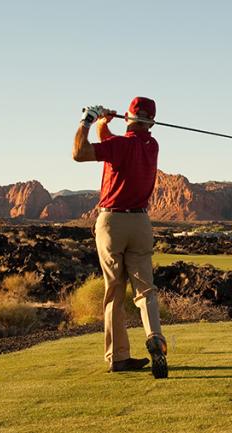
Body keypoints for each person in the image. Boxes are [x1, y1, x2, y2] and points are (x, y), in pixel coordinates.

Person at [72, 97, 168, 379]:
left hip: (112, 222)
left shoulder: (121, 146)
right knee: (145, 290)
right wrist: (105, 125)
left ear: (129, 117)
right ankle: (155, 339)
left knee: (114, 290)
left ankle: (118, 357)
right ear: (151, 121)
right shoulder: (151, 146)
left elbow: (79, 152)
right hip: (140, 223)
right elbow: (118, 145)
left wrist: (87, 120)